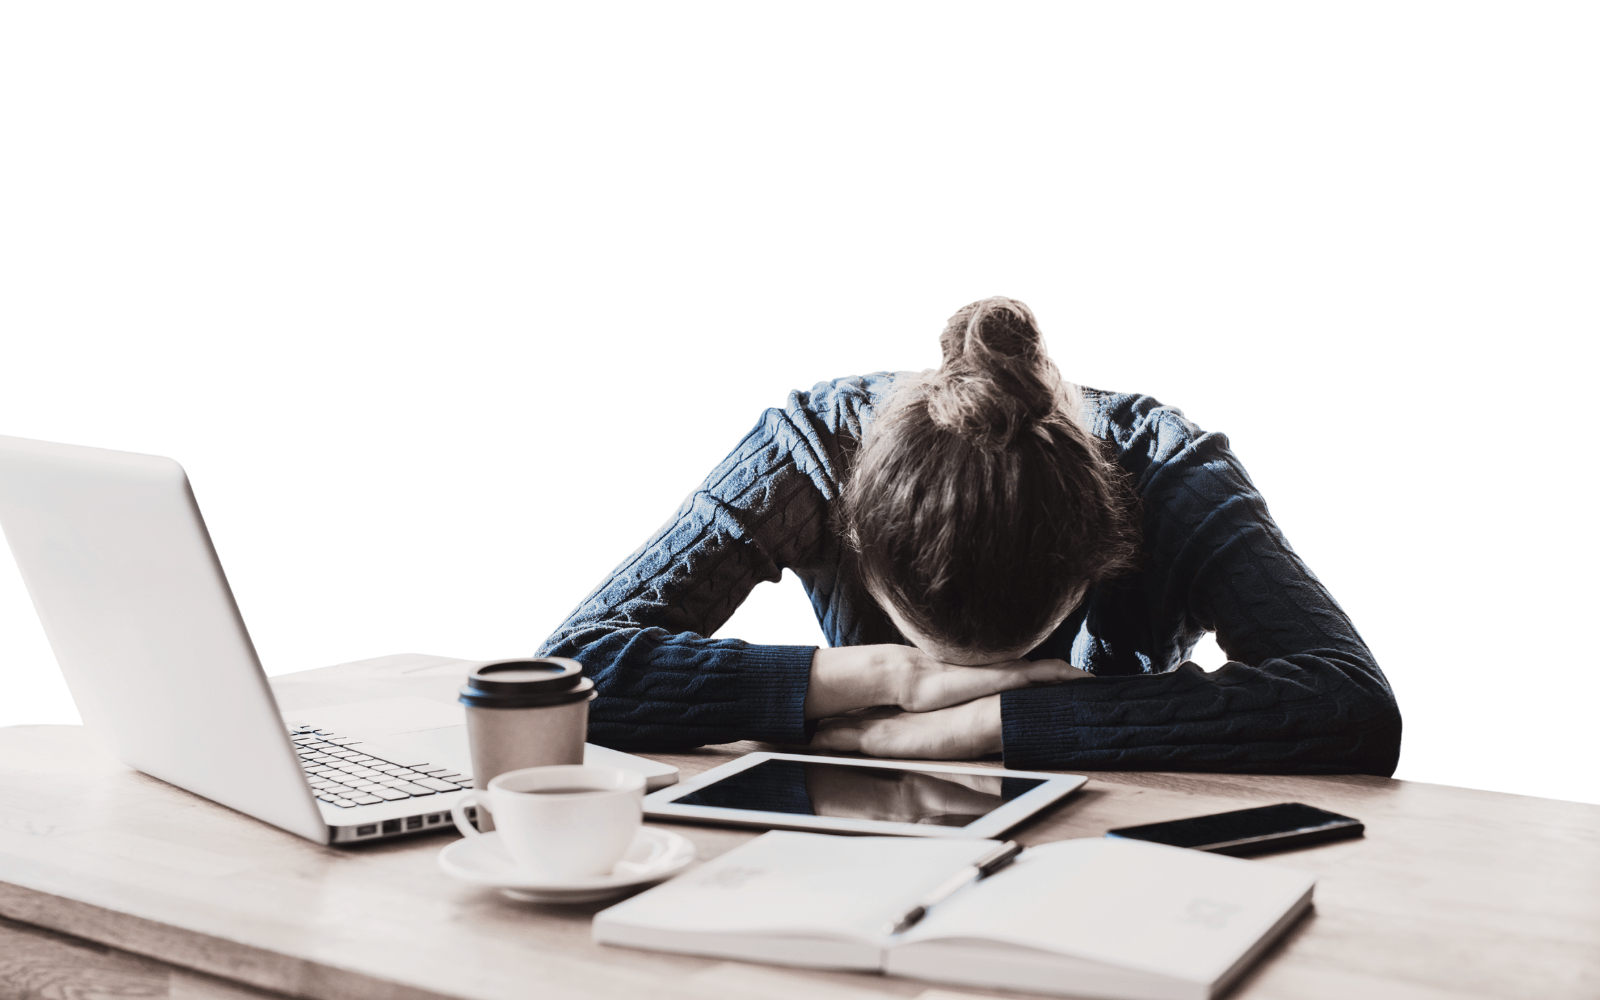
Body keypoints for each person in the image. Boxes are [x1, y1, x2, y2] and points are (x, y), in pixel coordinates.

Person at [536, 298, 1402, 775]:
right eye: (949, 661)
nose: (966, 682)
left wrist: (989, 725)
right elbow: (564, 674)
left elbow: (1351, 702)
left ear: (1110, 542)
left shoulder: (1167, 469)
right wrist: (891, 678)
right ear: (857, 536)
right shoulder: (812, 449)